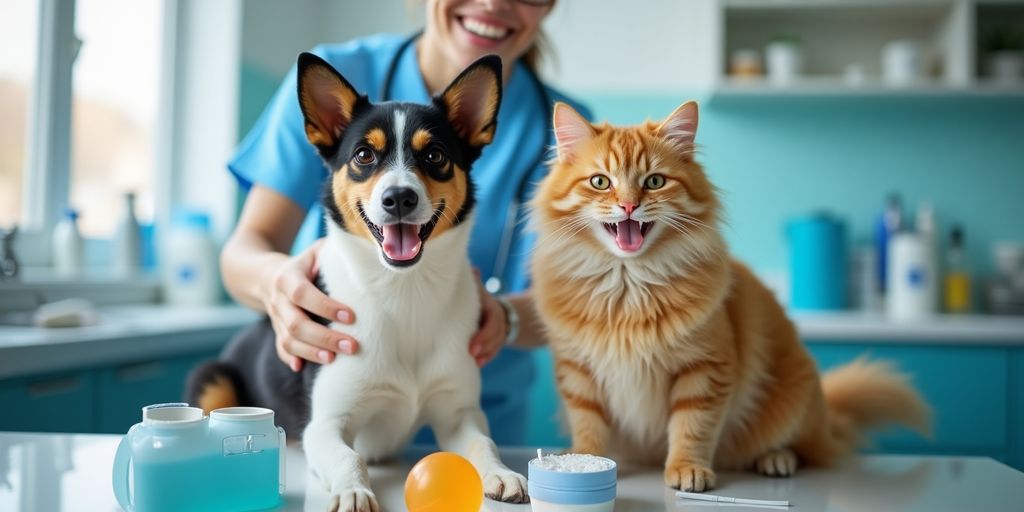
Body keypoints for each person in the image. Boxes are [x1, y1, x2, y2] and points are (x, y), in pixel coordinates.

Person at [220, 0, 590, 444]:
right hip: (331, 414)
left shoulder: (569, 130)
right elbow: (245, 249)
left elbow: (578, 299)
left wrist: (503, 318)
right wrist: (276, 282)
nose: (493, 4)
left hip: (473, 424)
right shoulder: (338, 73)